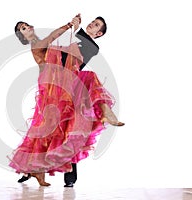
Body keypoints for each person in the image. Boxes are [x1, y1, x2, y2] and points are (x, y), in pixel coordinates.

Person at [16, 15, 124, 187]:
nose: (27, 27)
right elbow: (56, 39)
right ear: (22, 36)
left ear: (99, 33)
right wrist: (70, 26)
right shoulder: (41, 43)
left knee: (70, 129)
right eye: (23, 28)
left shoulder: (91, 46)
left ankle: (104, 110)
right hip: (53, 87)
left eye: (96, 25)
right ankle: (35, 169)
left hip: (66, 85)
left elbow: (68, 45)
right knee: (52, 131)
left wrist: (71, 26)